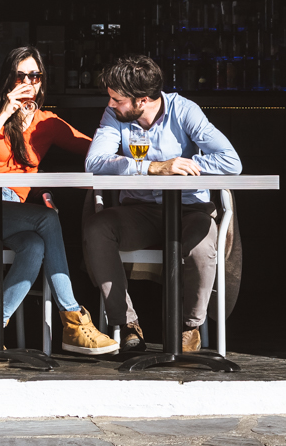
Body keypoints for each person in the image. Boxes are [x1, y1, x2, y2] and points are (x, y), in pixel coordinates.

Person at [0, 46, 118, 355]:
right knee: (47, 218)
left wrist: (149, 160)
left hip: (11, 213)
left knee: (35, 244)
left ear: (43, 81)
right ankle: (73, 319)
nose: (28, 82)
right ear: (8, 79)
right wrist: (4, 113)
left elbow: (95, 151)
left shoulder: (48, 123)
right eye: (21, 76)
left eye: (35, 75)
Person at [83, 55, 242, 355]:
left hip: (188, 209)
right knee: (97, 228)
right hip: (139, 211)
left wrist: (184, 165)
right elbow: (95, 161)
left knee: (203, 241)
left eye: (118, 100)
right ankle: (126, 324)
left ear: (142, 100)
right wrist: (151, 168)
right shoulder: (114, 115)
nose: (112, 104)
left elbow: (231, 162)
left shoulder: (184, 111)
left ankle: (189, 327)